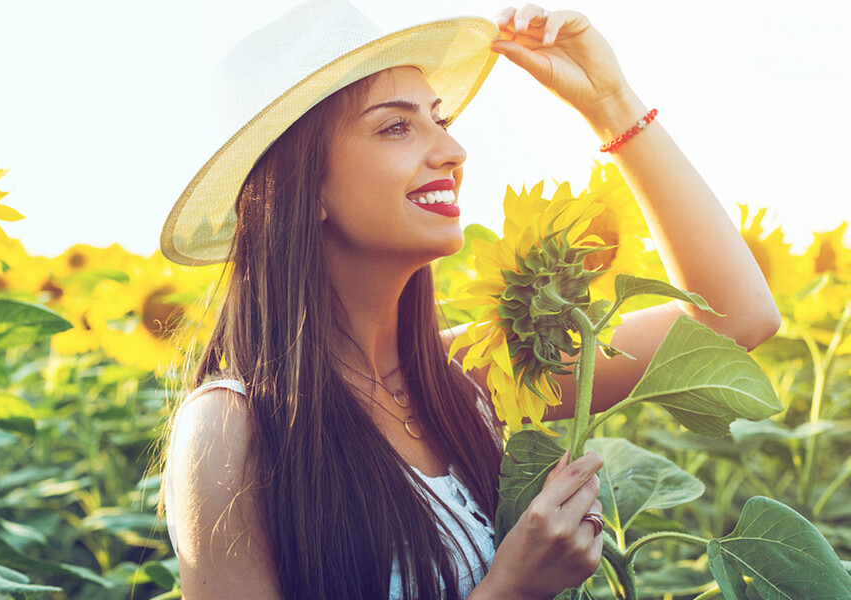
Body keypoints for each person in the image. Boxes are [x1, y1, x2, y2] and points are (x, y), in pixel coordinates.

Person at [157, 1, 780, 598]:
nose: (452, 152)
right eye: (397, 126)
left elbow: (733, 319)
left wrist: (612, 103)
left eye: (441, 119)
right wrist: (511, 590)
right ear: (302, 190)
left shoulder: (467, 378)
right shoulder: (233, 430)